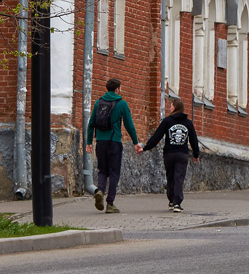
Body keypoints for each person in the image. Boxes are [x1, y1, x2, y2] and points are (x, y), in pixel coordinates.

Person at [84, 78, 141, 213]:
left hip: (101, 142)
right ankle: (110, 203)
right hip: (114, 142)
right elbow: (129, 125)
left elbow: (91, 123)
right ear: (117, 89)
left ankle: (100, 191)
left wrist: (88, 142)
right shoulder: (122, 104)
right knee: (114, 172)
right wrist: (135, 142)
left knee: (103, 170)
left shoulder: (99, 102)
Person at [142, 96, 201, 212]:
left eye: (171, 105)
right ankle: (177, 203)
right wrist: (196, 154)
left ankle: (171, 200)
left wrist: (146, 147)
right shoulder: (188, 123)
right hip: (182, 154)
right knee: (179, 177)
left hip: (169, 154)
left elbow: (157, 136)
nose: (170, 108)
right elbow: (194, 140)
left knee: (170, 177)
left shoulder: (167, 121)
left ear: (175, 107)